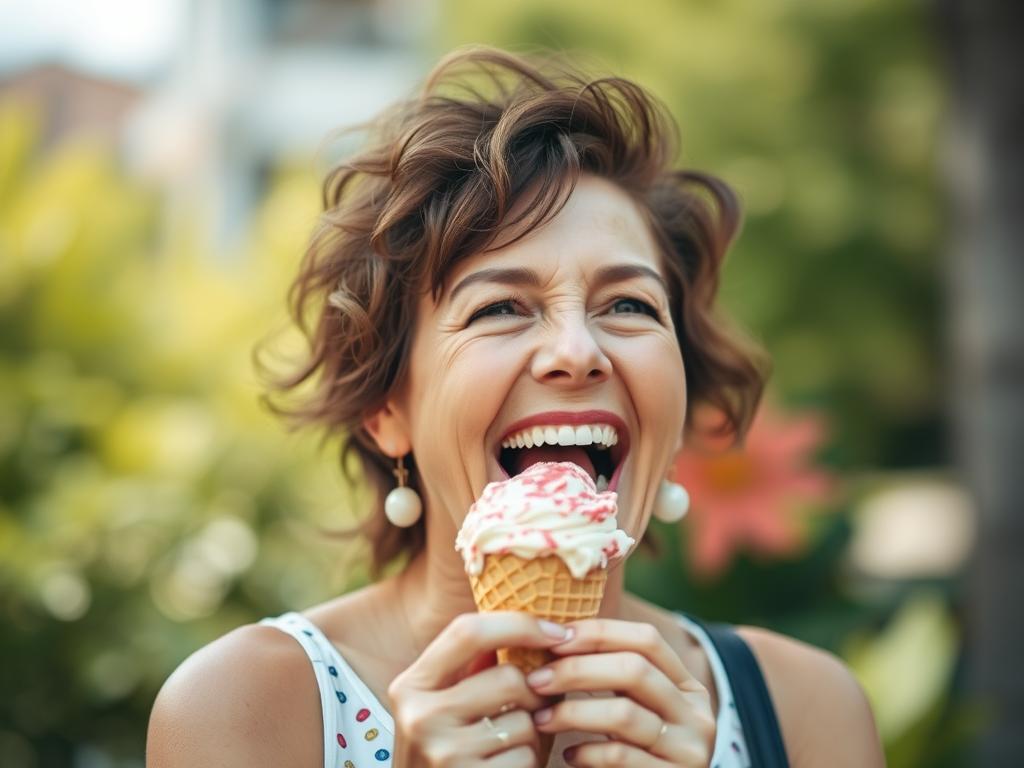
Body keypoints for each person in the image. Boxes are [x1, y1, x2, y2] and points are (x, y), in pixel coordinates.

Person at [146, 46, 884, 767]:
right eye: (501, 307)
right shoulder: (245, 710)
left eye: (629, 303)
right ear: (386, 409)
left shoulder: (804, 710)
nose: (577, 350)